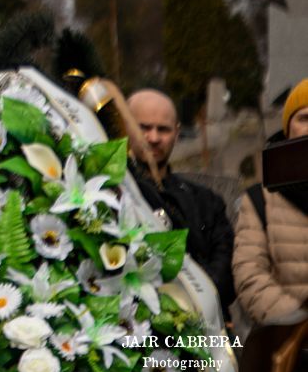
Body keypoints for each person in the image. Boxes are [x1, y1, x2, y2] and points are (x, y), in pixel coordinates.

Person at [128, 88, 235, 311]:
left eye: (163, 129)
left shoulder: (207, 202)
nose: (154, 138)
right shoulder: (115, 193)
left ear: (177, 132)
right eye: (144, 128)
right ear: (126, 128)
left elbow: (226, 271)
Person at [232, 79, 308, 327]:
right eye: (304, 118)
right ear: (288, 129)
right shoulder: (259, 201)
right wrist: (297, 322)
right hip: (291, 346)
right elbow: (250, 275)